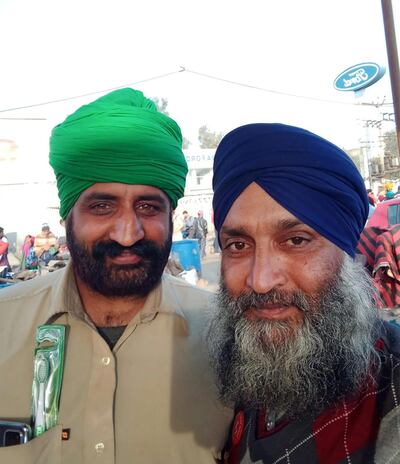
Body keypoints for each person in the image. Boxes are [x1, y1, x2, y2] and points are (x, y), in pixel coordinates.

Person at [0, 89, 231, 463]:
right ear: (66, 217)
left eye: (148, 206)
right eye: (102, 206)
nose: (128, 233)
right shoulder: (4, 323)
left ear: (170, 214)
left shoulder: (227, 334)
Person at [207, 123, 400, 463]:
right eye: (238, 245)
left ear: (346, 255)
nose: (261, 280)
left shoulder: (390, 391)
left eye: (296, 240)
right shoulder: (248, 365)